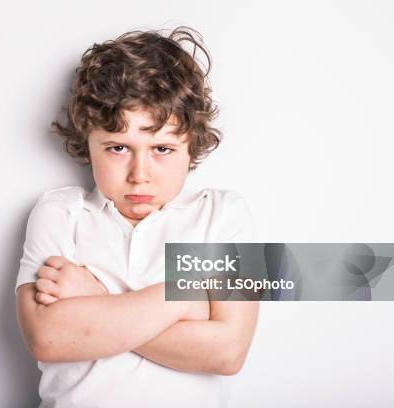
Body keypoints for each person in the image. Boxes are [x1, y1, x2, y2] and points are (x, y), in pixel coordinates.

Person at [15, 26, 259, 408]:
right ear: (87, 144)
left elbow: (228, 352)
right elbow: (48, 338)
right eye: (117, 148)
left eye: (162, 148)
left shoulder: (224, 214)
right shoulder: (60, 212)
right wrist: (185, 298)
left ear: (191, 145)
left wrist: (95, 299)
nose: (140, 173)